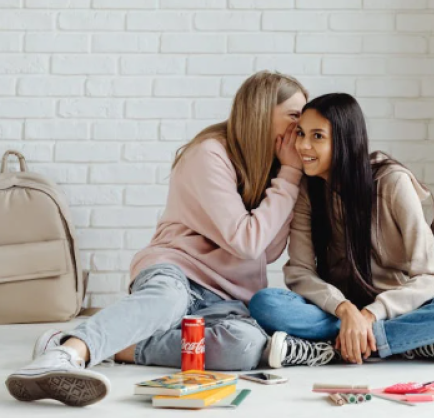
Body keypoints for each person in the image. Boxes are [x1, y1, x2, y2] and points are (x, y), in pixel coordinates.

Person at [6, 71, 308, 407]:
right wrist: (290, 176)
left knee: (246, 346)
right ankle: (66, 354)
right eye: (294, 115)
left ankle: (114, 345)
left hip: (226, 297)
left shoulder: (278, 172)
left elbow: (267, 250)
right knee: (168, 300)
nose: (300, 127)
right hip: (178, 271)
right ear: (262, 112)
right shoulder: (209, 154)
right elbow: (247, 243)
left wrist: (288, 177)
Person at [249, 93, 434, 368]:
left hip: (396, 309)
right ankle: (407, 342)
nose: (303, 145)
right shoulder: (308, 190)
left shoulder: (392, 182)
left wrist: (370, 315)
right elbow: (299, 272)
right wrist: (345, 310)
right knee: (265, 303)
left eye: (317, 136)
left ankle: (332, 348)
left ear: (345, 140)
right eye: (301, 134)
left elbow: (430, 276)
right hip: (338, 311)